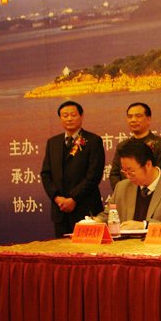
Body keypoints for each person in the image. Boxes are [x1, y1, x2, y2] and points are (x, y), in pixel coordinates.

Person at [40, 101, 106, 237]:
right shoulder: (53, 143)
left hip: (85, 209)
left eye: (73, 115)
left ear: (82, 116)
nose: (69, 119)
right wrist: (57, 198)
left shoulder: (93, 141)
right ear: (60, 118)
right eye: (65, 116)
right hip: (60, 211)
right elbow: (46, 174)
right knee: (62, 249)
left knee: (87, 248)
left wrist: (73, 199)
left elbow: (93, 176)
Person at [97, 138, 161, 228]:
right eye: (124, 171)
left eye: (131, 171)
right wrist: (96, 221)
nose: (128, 176)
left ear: (148, 165)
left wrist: (144, 225)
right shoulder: (122, 187)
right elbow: (107, 215)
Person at [108, 102, 161, 190]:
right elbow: (114, 174)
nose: (133, 120)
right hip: (126, 193)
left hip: (151, 193)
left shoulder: (160, 144)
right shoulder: (122, 146)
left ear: (148, 119)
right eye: (130, 116)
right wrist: (123, 191)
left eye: (138, 116)